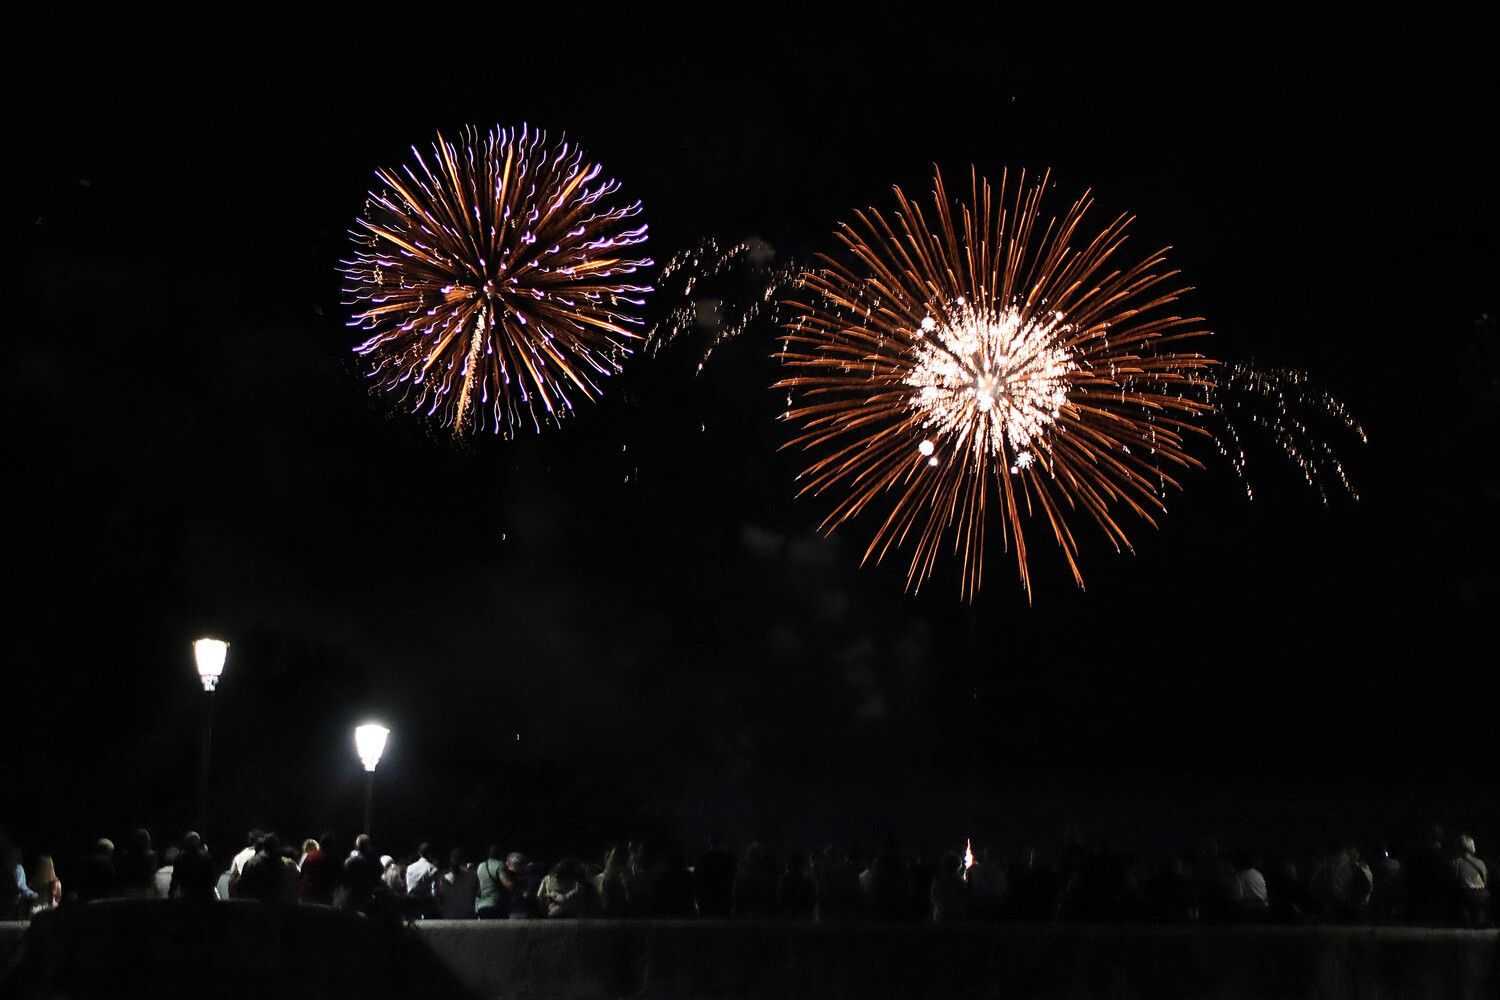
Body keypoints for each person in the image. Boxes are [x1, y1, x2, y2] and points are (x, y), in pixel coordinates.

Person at [238, 833, 296, 902]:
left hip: (255, 905)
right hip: (278, 906)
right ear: (278, 846)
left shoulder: (252, 862)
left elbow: (242, 885)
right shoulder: (286, 865)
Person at [338, 834, 385, 914]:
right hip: (365, 899)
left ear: (357, 846)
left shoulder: (350, 862)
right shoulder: (373, 863)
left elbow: (342, 878)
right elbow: (380, 872)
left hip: (350, 898)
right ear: (368, 846)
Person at [1451, 834, 1490, 927]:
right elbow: (1485, 881)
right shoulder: (1480, 862)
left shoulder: (1456, 862)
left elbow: (1454, 880)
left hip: (1465, 894)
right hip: (1481, 893)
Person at [694, 835, 735, 917]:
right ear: (723, 843)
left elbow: (697, 879)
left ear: (710, 843)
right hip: (724, 899)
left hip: (708, 899)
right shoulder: (729, 859)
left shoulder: (703, 858)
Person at [169, 832, 217, 901]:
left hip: (186, 895)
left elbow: (175, 879)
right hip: (203, 896)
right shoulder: (206, 858)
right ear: (198, 842)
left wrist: (171, 894)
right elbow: (211, 880)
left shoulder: (180, 859)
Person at [435, 847, 479, 919]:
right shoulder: (471, 876)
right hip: (463, 914)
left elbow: (440, 896)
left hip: (452, 915)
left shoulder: (444, 878)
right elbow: (475, 893)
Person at [299, 832, 340, 905]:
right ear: (331, 845)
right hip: (322, 897)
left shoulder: (310, 856)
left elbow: (301, 874)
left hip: (306, 894)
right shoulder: (332, 859)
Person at [117, 829, 159, 898]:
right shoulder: (152, 855)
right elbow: (152, 873)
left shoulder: (126, 855)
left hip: (129, 888)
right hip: (146, 889)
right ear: (147, 840)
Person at [227, 829, 263, 899]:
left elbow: (232, 879)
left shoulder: (239, 856)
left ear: (249, 840)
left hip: (243, 896)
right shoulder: (264, 856)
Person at [475, 845, 509, 919]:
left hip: (482, 906)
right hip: (496, 905)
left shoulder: (480, 866)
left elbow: (478, 887)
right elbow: (507, 884)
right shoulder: (500, 865)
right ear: (500, 854)